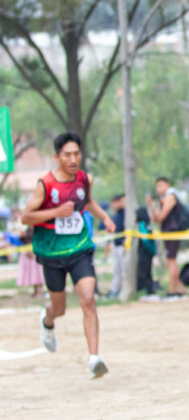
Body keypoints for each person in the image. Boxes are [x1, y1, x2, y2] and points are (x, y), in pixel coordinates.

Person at [20, 131, 115, 378]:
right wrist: (55, 213)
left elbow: (88, 203)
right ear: (57, 157)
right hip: (52, 252)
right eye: (67, 155)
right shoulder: (46, 184)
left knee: (88, 298)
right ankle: (48, 319)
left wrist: (104, 217)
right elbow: (26, 217)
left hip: (79, 248)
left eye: (77, 154)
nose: (73, 159)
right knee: (60, 308)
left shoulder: (84, 179)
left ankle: (95, 357)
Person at [147, 176, 186, 298]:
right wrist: (151, 206)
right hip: (167, 232)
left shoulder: (170, 197)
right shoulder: (163, 199)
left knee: (171, 261)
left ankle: (172, 291)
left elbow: (161, 216)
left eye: (161, 185)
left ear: (167, 185)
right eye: (157, 186)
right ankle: (180, 289)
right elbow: (156, 219)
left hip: (172, 231)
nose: (159, 189)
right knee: (172, 260)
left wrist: (156, 209)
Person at [108, 193, 126, 298]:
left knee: (123, 269)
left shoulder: (125, 213)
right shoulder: (116, 215)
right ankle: (115, 290)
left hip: (122, 245)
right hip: (116, 245)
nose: (113, 205)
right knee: (116, 269)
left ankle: (122, 289)